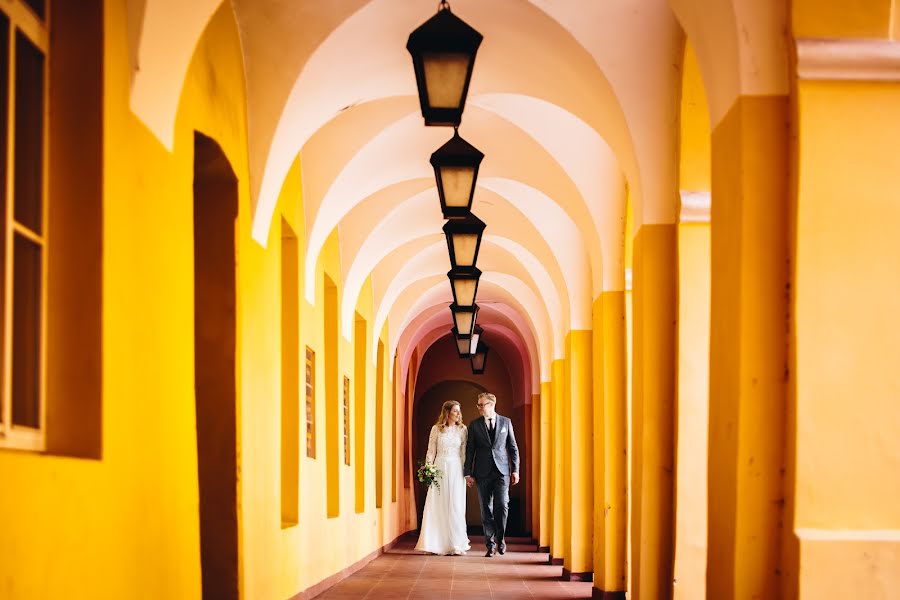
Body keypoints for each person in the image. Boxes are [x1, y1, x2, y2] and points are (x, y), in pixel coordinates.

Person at [464, 392, 520, 557]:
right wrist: (468, 472)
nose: (480, 408)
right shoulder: (474, 425)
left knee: (502, 505)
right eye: (478, 405)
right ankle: (490, 544)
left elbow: (513, 448)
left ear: (492, 404)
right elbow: (470, 450)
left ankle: (500, 539)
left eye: (482, 405)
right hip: (482, 472)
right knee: (485, 509)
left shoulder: (506, 422)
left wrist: (515, 470)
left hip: (502, 471)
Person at [414, 400, 471, 555]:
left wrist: (467, 472)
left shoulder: (462, 429)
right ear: (447, 413)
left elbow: (464, 452)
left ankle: (456, 544)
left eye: (459, 411)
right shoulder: (436, 429)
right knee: (438, 504)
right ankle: (435, 543)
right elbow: (431, 450)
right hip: (439, 467)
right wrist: (428, 467)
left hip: (456, 468)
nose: (458, 414)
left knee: (455, 504)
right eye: (455, 411)